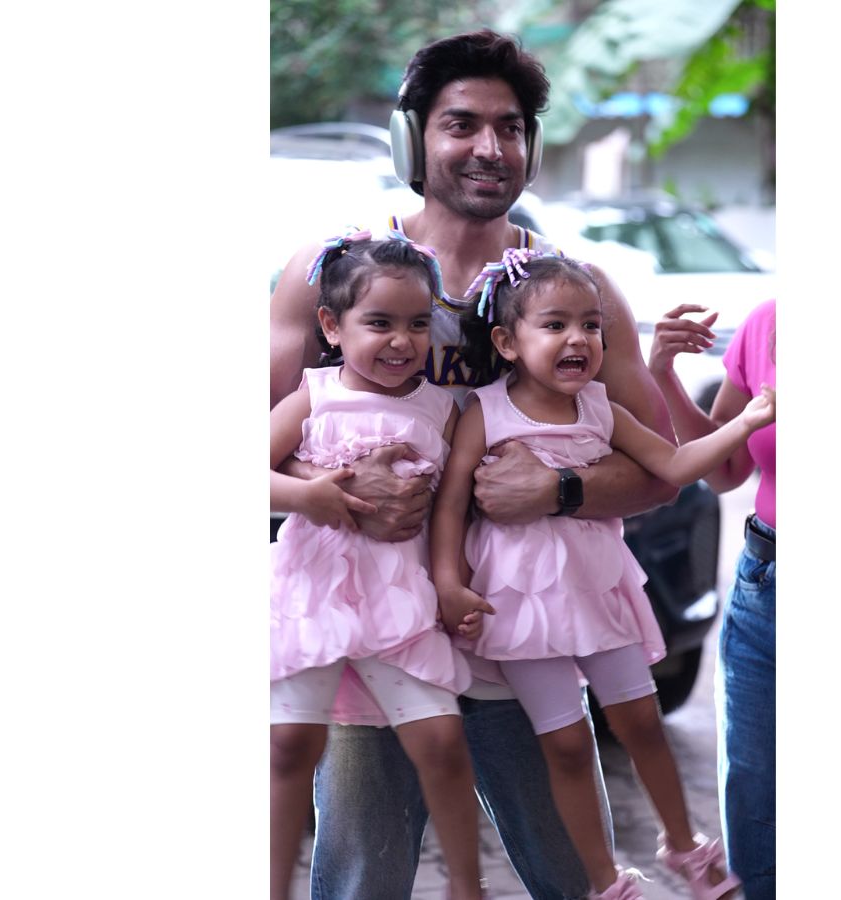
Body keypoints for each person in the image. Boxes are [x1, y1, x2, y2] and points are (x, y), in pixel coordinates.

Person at [268, 29, 679, 900]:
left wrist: (559, 488)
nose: (491, 146)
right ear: (410, 138)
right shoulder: (330, 275)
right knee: (362, 878)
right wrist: (331, 495)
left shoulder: (575, 294)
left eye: (511, 127)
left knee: (575, 875)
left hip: (520, 629)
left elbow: (659, 469)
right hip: (376, 632)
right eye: (462, 124)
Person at [430, 251, 773, 900]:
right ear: (507, 342)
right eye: (555, 325)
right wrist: (449, 583)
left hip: (597, 587)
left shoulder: (601, 408)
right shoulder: (484, 412)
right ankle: (604, 879)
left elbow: (675, 468)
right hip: (519, 602)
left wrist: (746, 424)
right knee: (564, 744)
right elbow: (450, 505)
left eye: (591, 325)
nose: (578, 339)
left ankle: (684, 845)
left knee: (641, 721)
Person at [269, 234, 489, 900]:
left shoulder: (443, 410)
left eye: (418, 324)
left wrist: (450, 583)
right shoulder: (314, 395)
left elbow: (450, 509)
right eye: (380, 323)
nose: (401, 341)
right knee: (289, 746)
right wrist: (307, 495)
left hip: (399, 599)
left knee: (441, 742)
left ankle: (467, 886)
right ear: (332, 326)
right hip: (314, 594)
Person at [646, 299, 777, 900]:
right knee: (754, 793)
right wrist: (665, 374)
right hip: (765, 584)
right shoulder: (768, 321)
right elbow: (725, 469)